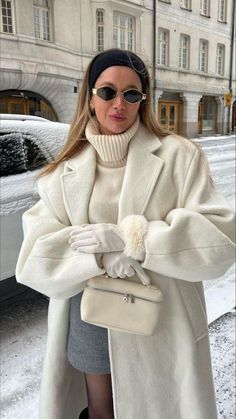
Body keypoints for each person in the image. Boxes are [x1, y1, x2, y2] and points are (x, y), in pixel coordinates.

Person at [16, 48, 235, 419]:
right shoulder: (61, 173)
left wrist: (133, 239)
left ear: (142, 100)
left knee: (160, 406)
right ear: (89, 97)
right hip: (90, 315)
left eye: (131, 93)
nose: (119, 103)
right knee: (101, 411)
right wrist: (96, 255)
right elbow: (34, 256)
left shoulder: (180, 157)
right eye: (107, 92)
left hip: (163, 319)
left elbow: (219, 240)